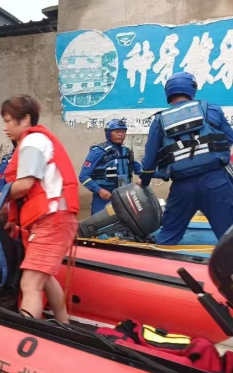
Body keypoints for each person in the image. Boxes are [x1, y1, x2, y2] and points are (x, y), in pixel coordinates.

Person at [0, 95, 79, 323]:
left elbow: (24, 185)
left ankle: (26, 338)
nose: (5, 127)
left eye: (9, 121)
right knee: (45, 279)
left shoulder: (32, 142)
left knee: (30, 283)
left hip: (52, 220)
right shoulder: (38, 141)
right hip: (54, 219)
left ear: (25, 120)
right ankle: (64, 325)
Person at [140, 72, 233, 245]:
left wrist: (144, 181)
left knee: (168, 235)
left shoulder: (160, 120)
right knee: (228, 235)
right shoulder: (211, 109)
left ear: (168, 93)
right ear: (192, 89)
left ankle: (155, 268)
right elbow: (228, 138)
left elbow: (149, 159)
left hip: (182, 186)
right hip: (216, 182)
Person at [79, 119, 142, 215]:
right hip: (104, 197)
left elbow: (141, 170)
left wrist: (164, 172)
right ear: (108, 133)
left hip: (123, 196)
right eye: (117, 132)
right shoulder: (98, 151)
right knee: (102, 227)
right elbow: (83, 176)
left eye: (123, 132)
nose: (121, 134)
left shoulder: (126, 152)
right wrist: (99, 190)